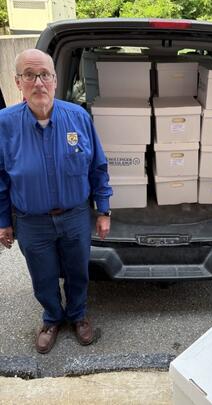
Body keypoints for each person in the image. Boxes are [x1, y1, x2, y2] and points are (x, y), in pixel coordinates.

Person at [0, 49, 112, 354]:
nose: (39, 83)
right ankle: (51, 318)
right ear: (18, 81)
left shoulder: (78, 117)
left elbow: (97, 167)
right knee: (43, 275)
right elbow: (0, 178)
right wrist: (3, 222)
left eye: (45, 75)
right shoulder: (4, 124)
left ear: (55, 79)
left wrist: (103, 210)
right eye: (30, 75)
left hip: (75, 216)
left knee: (78, 271)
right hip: (31, 221)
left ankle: (77, 315)